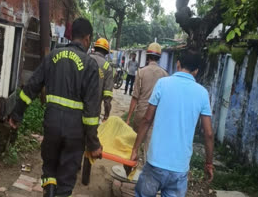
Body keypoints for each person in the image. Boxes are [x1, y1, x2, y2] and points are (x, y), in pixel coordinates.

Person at [8, 18, 102, 197]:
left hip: (51, 125)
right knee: (66, 179)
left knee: (50, 169)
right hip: (75, 132)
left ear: (71, 35)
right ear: (87, 38)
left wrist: (17, 114)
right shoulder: (90, 65)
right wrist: (93, 144)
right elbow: (91, 112)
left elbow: (31, 87)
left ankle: (49, 191)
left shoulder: (52, 56)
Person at [131, 50, 214, 197]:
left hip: (155, 162)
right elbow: (208, 133)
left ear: (178, 64)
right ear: (196, 71)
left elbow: (147, 119)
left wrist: (135, 149)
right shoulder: (202, 93)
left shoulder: (163, 84)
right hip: (180, 168)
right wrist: (208, 163)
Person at [125, 43, 168, 162]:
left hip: (140, 115)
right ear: (159, 58)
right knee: (149, 150)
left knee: (134, 148)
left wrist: (129, 118)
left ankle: (128, 172)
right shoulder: (165, 75)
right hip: (155, 118)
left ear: (148, 56)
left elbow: (135, 97)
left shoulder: (141, 72)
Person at [90, 38, 114, 122]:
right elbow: (107, 95)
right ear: (106, 52)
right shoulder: (107, 67)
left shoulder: (85, 59)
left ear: (95, 48)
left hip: (76, 110)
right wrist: (106, 115)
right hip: (93, 112)